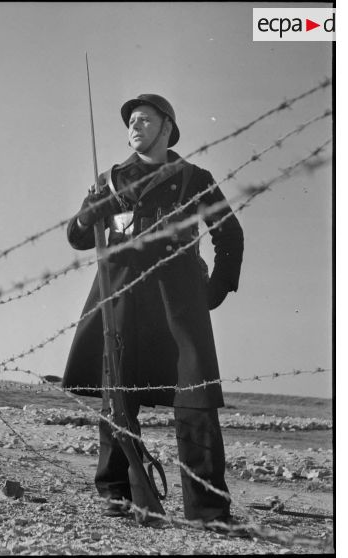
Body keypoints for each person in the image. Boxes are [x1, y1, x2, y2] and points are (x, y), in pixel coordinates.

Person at [62, 94, 244, 524]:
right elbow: (77, 235)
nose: (134, 126)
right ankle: (118, 495)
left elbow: (229, 233)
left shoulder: (194, 178)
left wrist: (216, 289)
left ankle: (208, 509)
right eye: (131, 121)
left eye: (145, 119)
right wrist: (90, 216)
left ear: (167, 128)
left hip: (178, 299)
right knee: (117, 397)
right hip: (121, 294)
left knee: (195, 398)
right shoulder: (109, 180)